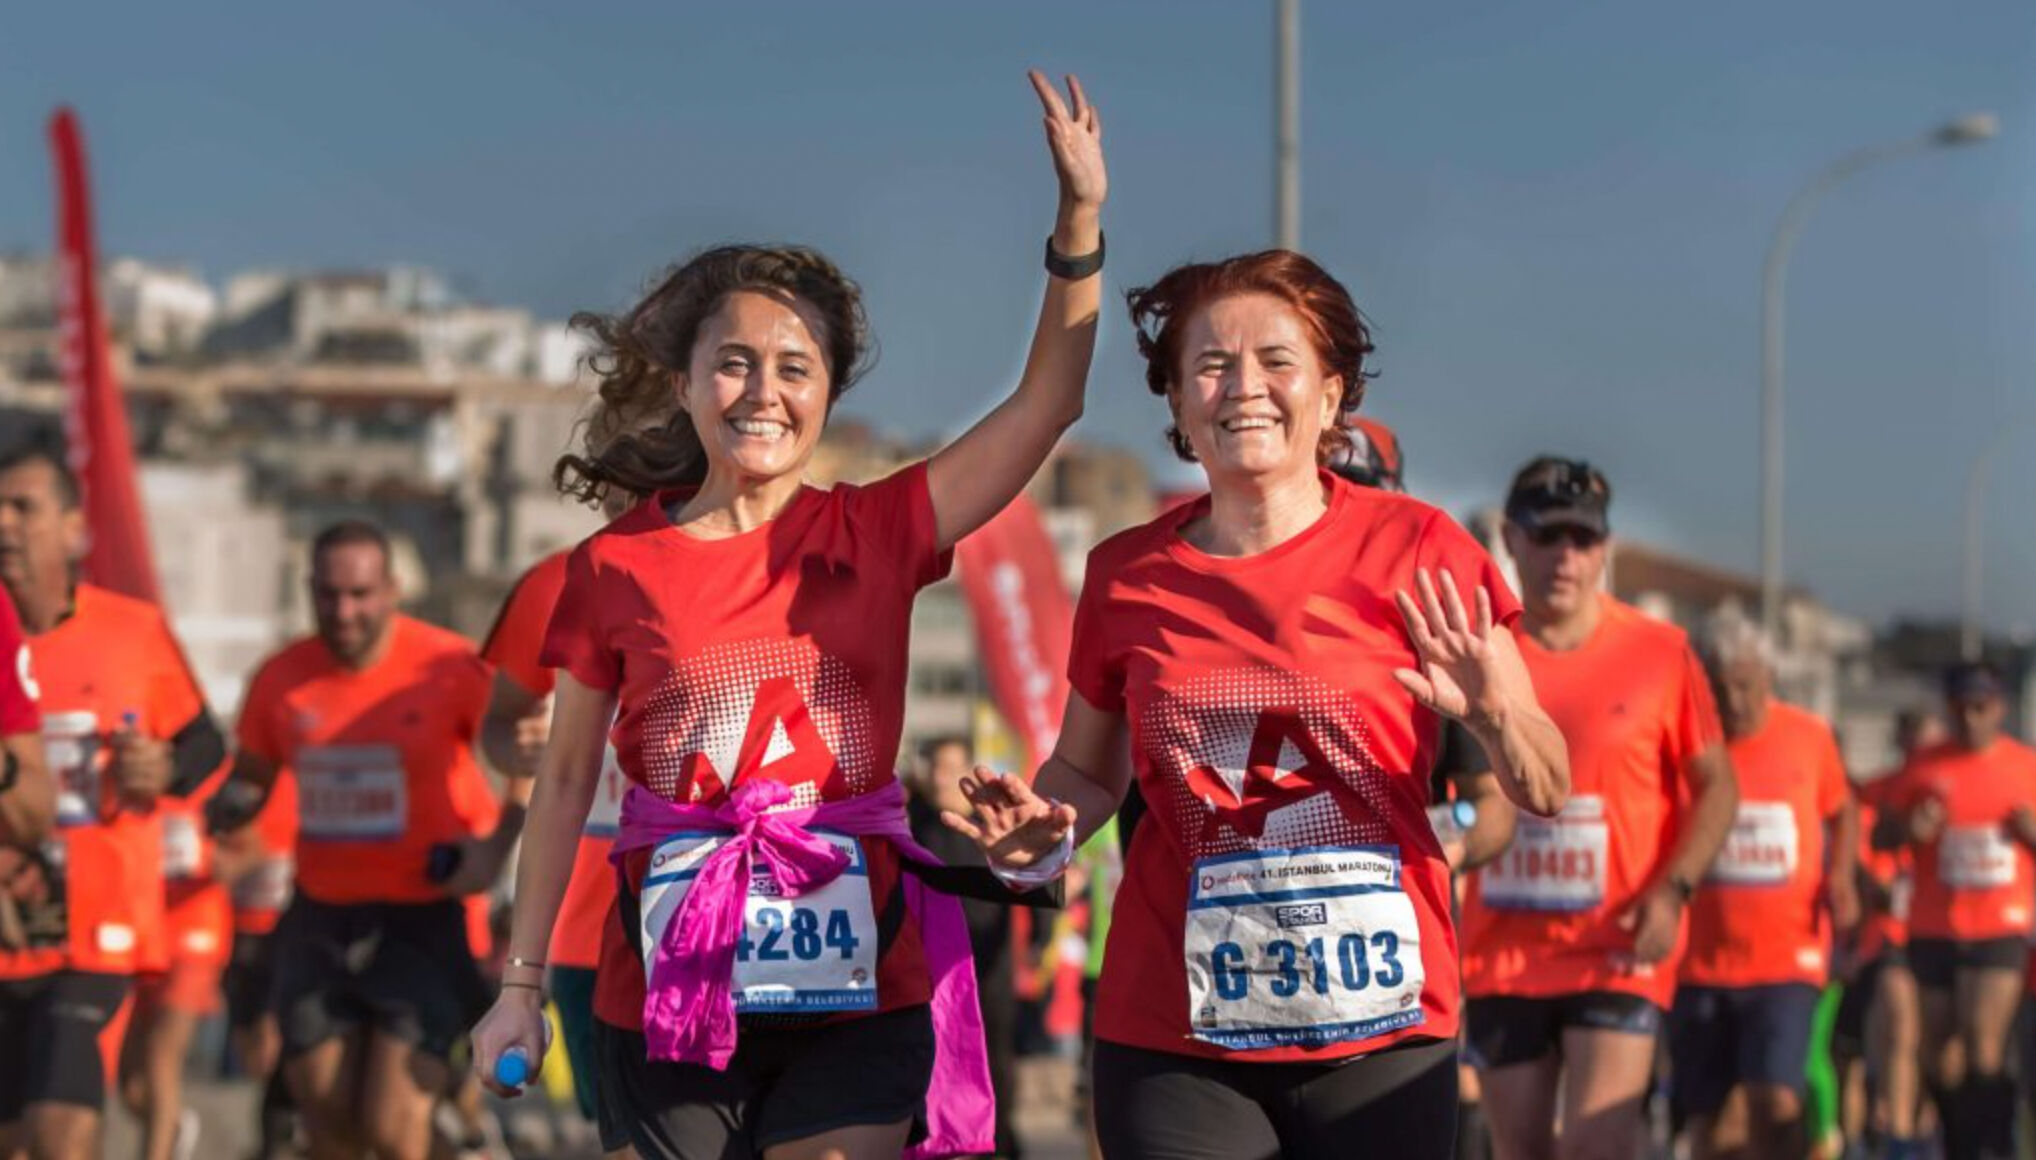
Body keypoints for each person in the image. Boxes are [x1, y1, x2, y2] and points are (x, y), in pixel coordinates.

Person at [469, 70, 1107, 1160]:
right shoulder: (612, 567)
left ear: (827, 396)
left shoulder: (882, 528)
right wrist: (519, 987)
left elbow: (1048, 402)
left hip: (858, 989)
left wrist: (1079, 223)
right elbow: (564, 781)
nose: (763, 391)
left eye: (794, 369)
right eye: (733, 364)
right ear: (684, 387)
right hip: (666, 987)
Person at [946, 248, 1571, 1160]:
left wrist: (1495, 718)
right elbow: (1084, 771)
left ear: (1331, 394)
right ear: (1177, 402)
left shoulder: (1423, 550)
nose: (1245, 387)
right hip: (1176, 1029)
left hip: (1382, 1026)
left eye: (1277, 360)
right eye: (1212, 364)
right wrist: (1041, 833)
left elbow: (1546, 785)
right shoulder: (1125, 576)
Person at [204, 519, 517, 1160]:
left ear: (392, 591)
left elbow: (529, 750)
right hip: (320, 915)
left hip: (420, 918)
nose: (344, 612)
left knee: (391, 1128)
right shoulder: (281, 679)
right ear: (309, 590)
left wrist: (495, 847)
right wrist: (226, 804)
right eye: (328, 595)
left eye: (360, 595)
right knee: (326, 1119)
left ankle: (464, 1135)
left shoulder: (448, 666)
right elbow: (254, 774)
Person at [1457, 457, 1740, 1160]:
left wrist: (1674, 890)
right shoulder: (1478, 654)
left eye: (1583, 539)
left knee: (1598, 1146)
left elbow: (1719, 785)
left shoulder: (1661, 653)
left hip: (1617, 948)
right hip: (1503, 954)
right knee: (1521, 1151)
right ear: (1510, 537)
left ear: (1605, 547)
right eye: (1547, 535)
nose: (1566, 557)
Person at [0, 437, 228, 1160]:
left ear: (74, 528)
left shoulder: (131, 631)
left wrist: (162, 769)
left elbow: (205, 745)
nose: (4, 524)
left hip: (97, 924)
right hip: (8, 922)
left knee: (61, 1132)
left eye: (23, 507)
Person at [475, 487, 636, 1139]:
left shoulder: (756, 567)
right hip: (588, 926)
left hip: (732, 922)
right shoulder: (557, 583)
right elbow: (500, 725)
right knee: (623, 1132)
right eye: (623, 467)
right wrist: (518, 748)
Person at [1671, 613, 1857, 1160]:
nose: (1733, 701)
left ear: (1769, 679)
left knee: (1776, 1106)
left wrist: (1842, 876)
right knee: (1712, 1125)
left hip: (1787, 961)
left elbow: (1844, 809)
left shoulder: (1809, 736)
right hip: (1699, 963)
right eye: (1718, 687)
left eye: (1744, 685)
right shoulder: (1685, 742)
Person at [1870, 661, 2036, 1160]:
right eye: (1961, 708)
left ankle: (1996, 1145)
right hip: (1934, 926)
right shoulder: (1924, 766)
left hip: (2000, 924)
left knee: (1984, 1044)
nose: (1971, 718)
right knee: (1939, 1054)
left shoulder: (2025, 766)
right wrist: (1910, 831)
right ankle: (1959, 1143)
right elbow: (1881, 835)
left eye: (1981, 708)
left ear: (1999, 709)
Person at [906, 736, 1024, 1159]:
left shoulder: (992, 829)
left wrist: (1039, 943)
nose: (942, 778)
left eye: (951, 768)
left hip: (988, 966)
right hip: (931, 971)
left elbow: (1030, 885)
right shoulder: (915, 827)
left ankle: (999, 1144)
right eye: (936, 768)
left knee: (994, 1062)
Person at [1833, 709, 1939, 1160]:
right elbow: (1858, 867)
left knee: (1917, 1040)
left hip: (1932, 940)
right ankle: (1865, 1139)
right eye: (1913, 744)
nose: (1922, 756)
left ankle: (1904, 1135)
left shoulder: (1952, 799)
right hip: (1871, 940)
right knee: (1852, 1055)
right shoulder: (1875, 798)